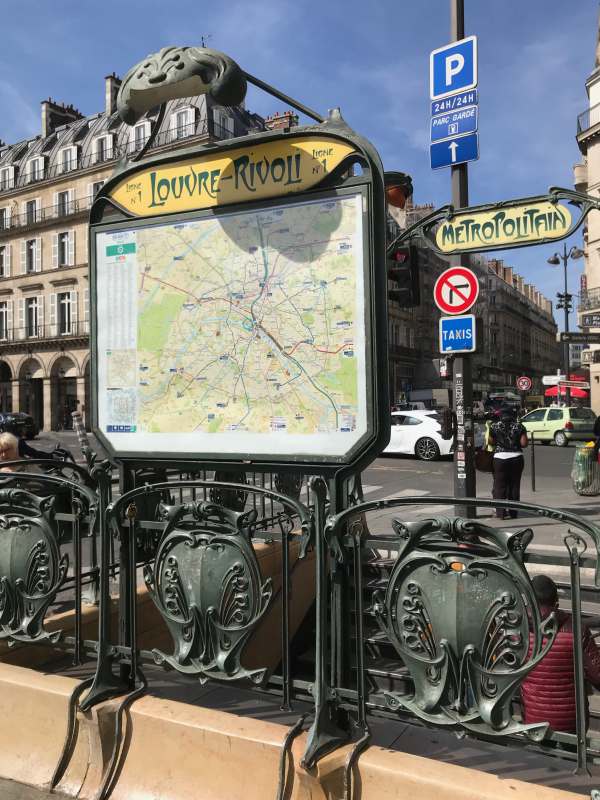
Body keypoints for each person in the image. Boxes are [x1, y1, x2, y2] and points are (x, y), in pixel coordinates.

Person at [521, 575, 600, 732]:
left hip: (532, 722)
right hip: (571, 724)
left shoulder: (517, 630)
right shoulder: (577, 630)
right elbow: (597, 676)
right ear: (556, 601)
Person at [488, 403, 528, 519]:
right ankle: (513, 512)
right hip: (516, 458)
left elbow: (490, 442)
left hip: (500, 459)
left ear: (501, 415)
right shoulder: (519, 426)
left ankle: (500, 513)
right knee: (514, 485)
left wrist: (499, 442)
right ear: (512, 415)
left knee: (500, 486)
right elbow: (524, 443)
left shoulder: (494, 426)